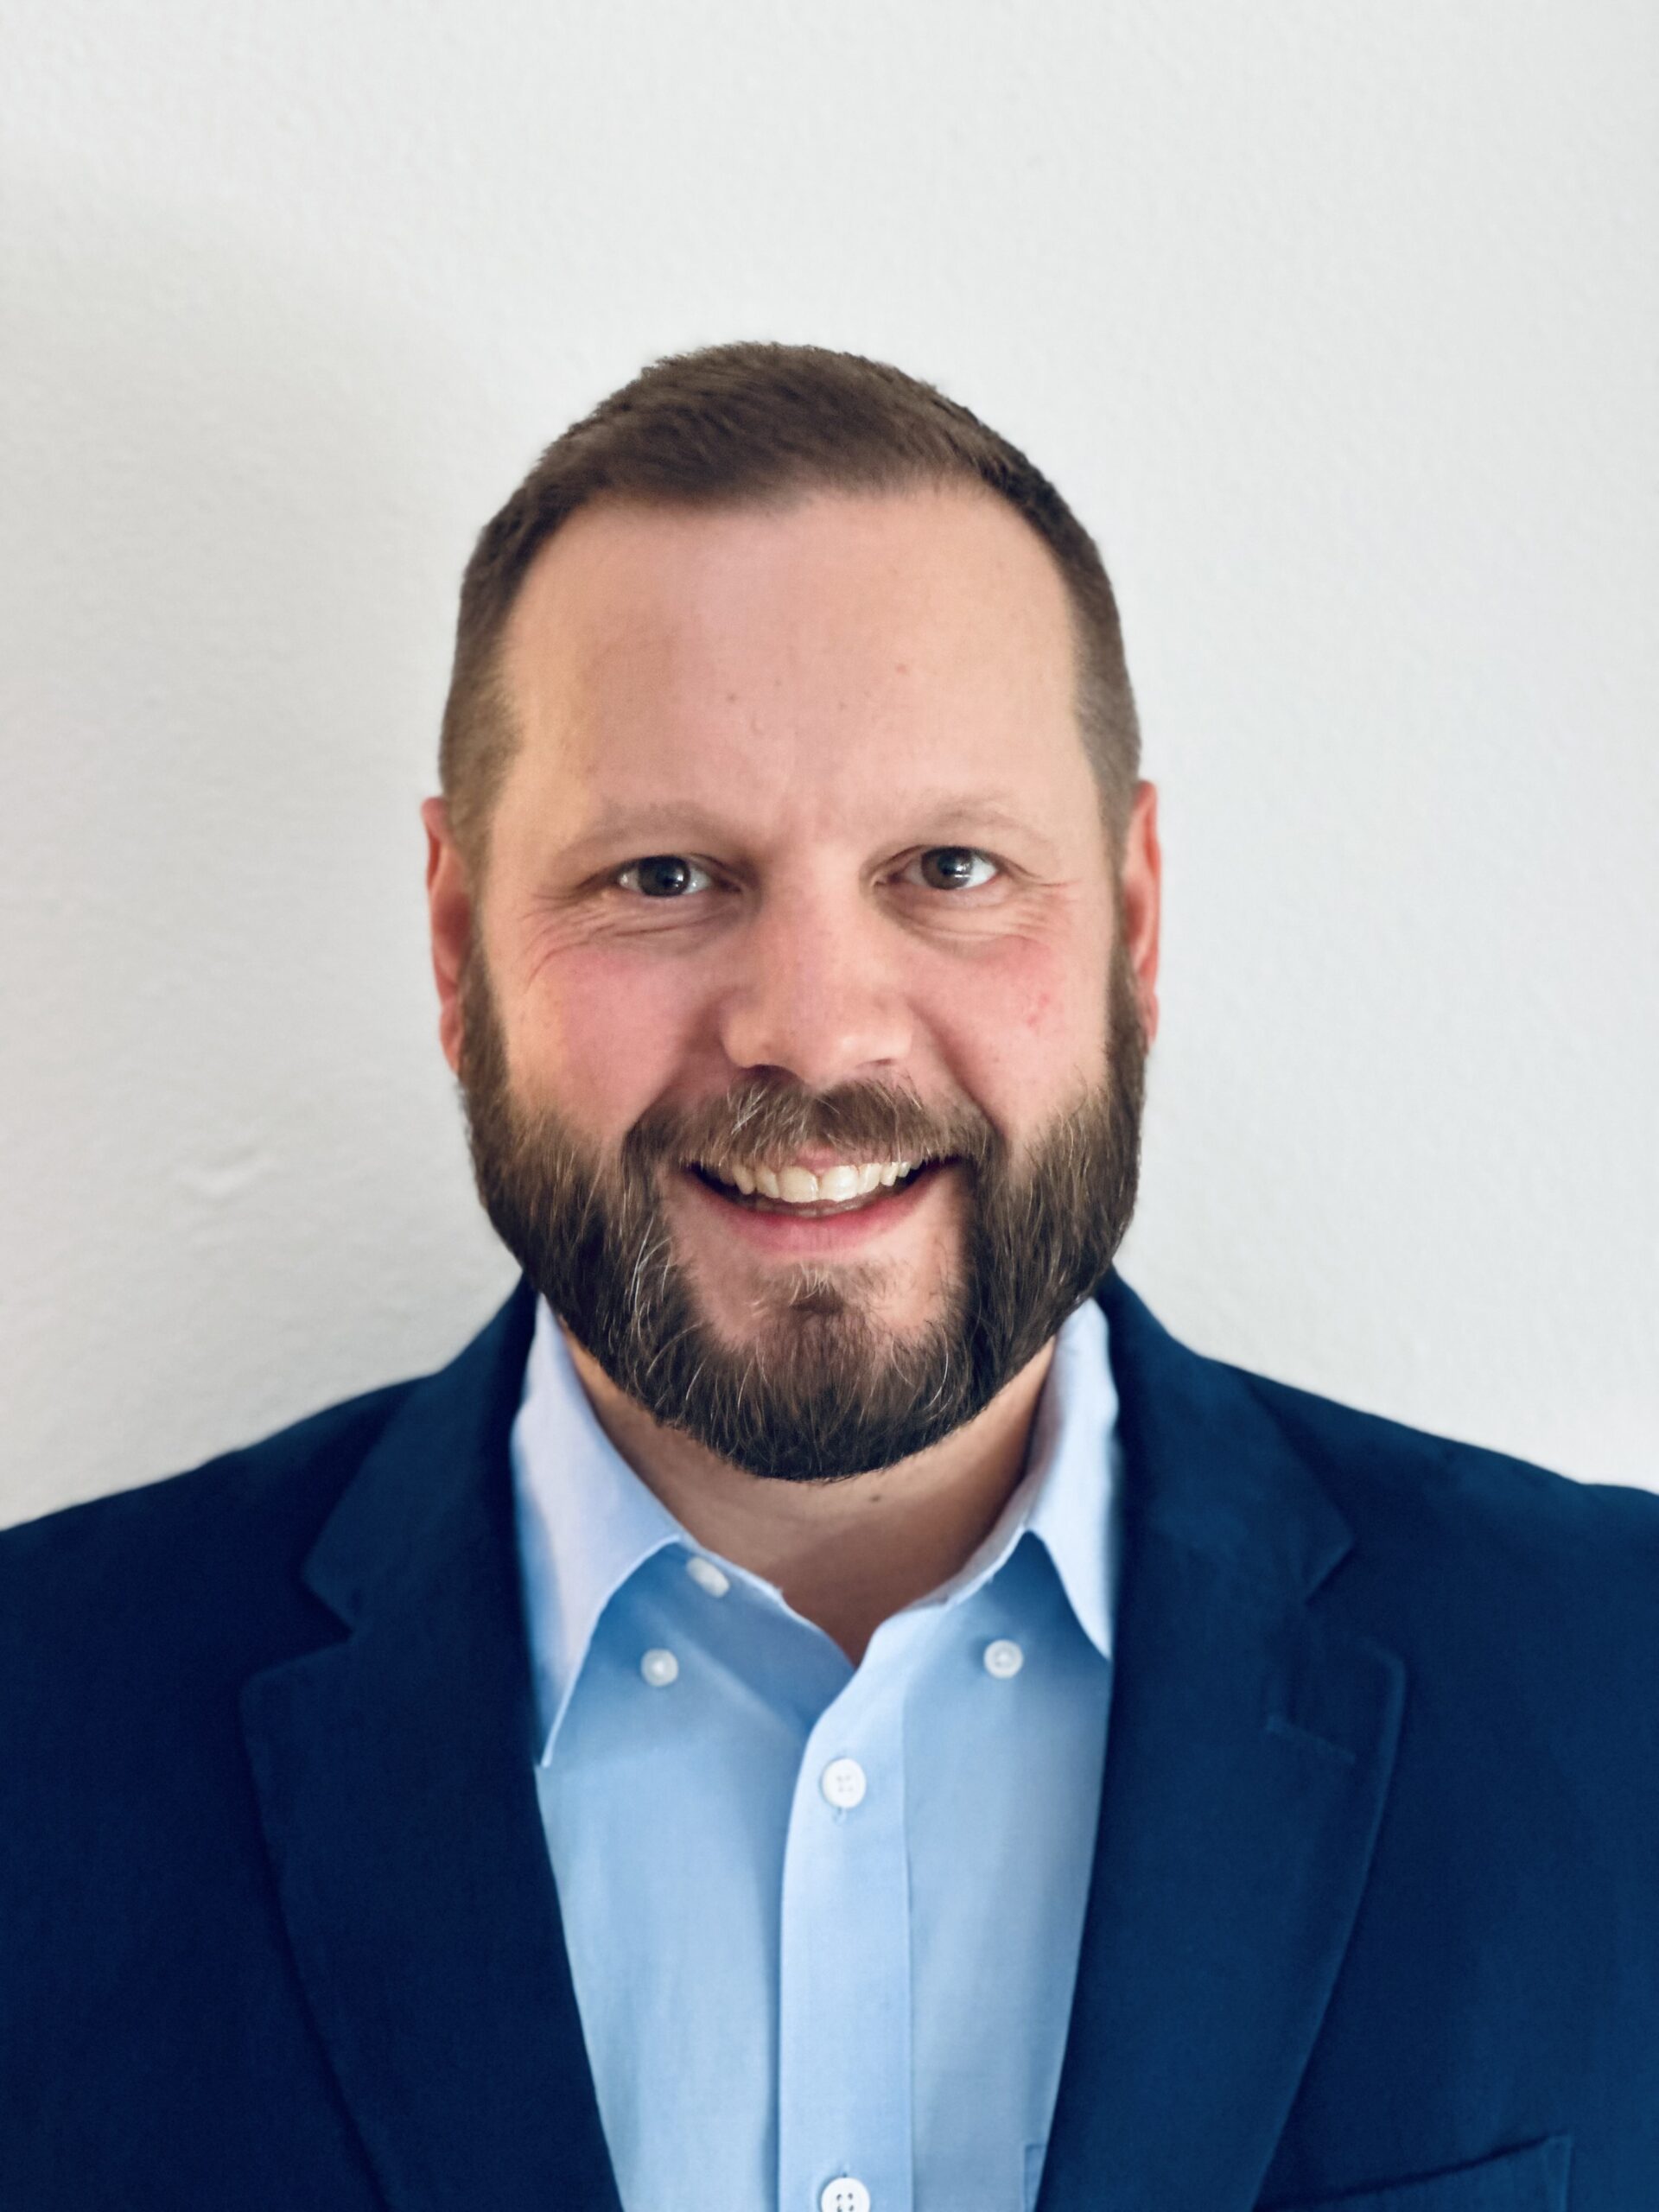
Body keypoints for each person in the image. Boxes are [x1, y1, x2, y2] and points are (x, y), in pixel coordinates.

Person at [2, 342, 1653, 2212]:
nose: (811, 1026)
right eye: (660, 874)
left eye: (949, 865)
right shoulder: (36, 1734)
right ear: (456, 940)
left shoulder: (1622, 1689)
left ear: (1136, 919)